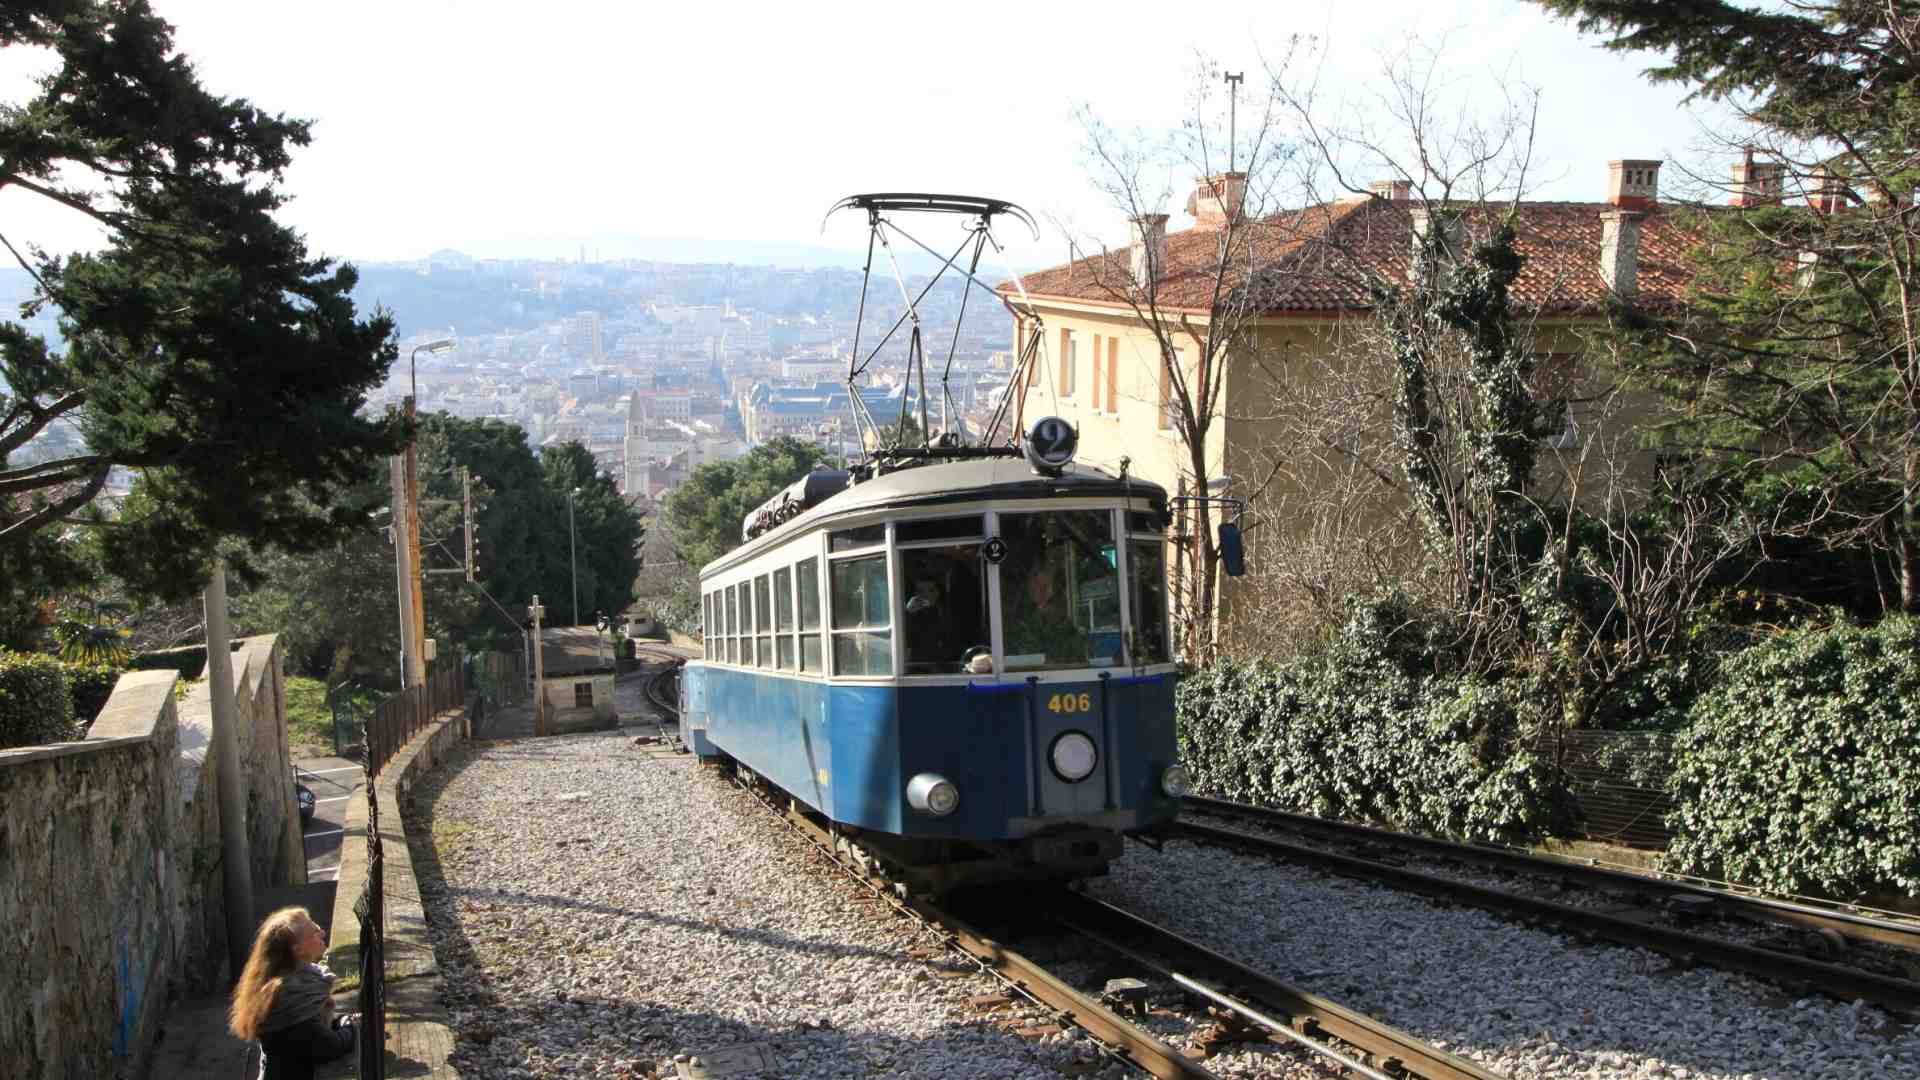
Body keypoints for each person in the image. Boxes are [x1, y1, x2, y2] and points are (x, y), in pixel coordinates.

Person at [229, 906, 356, 1080]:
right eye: (314, 932)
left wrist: (338, 1020)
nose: (323, 933)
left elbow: (311, 1031)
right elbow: (327, 1046)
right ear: (297, 950)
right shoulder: (288, 995)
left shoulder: (298, 979)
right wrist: (351, 1025)